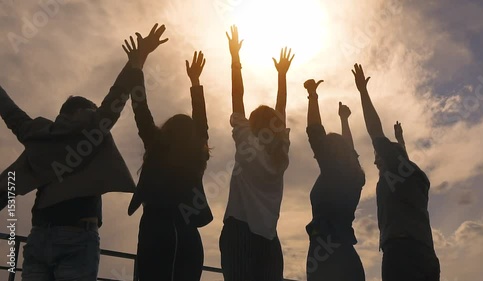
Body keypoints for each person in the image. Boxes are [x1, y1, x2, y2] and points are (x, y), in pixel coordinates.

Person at [0, 25, 155, 280]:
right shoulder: (93, 131)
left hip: (39, 234)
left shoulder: (39, 136)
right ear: (83, 112)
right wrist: (137, 61)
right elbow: (115, 99)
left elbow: (10, 112)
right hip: (77, 236)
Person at [126, 29, 213, 280]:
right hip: (187, 235)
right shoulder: (196, 155)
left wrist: (138, 63)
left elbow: (140, 107)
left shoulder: (157, 147)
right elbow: (202, 123)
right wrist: (195, 82)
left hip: (156, 231)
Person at [351, 63, 440, 281]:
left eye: (378, 156)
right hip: (425, 254)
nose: (375, 161)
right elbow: (404, 158)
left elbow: (374, 131)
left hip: (402, 253)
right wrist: (400, 139)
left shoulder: (395, 169)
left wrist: (363, 91)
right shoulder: (413, 177)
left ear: (391, 156)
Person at [219, 25, 293, 281]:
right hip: (269, 240)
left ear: (252, 124)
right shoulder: (280, 154)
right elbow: (281, 108)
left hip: (239, 232)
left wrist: (235, 59)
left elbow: (237, 95)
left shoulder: (245, 140)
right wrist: (282, 75)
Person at [303, 79, 366, 281]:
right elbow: (351, 152)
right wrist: (344, 120)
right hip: (347, 256)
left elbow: (315, 132)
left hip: (326, 258)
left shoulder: (333, 174)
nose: (316, 157)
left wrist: (312, 95)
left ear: (329, 154)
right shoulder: (354, 177)